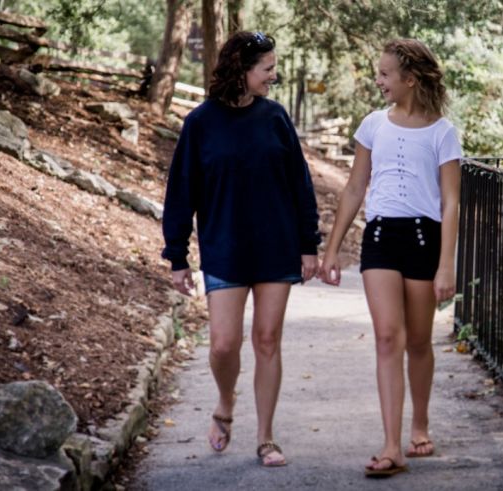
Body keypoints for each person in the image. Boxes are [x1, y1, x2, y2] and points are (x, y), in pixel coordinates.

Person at [161, 31, 320, 468]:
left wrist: (309, 245)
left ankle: (266, 438)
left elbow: (300, 185)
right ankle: (225, 404)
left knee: (267, 339)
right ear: (242, 70)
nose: (274, 74)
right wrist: (177, 256)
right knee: (223, 345)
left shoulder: (275, 118)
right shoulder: (200, 124)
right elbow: (181, 194)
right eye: (267, 68)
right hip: (224, 248)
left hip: (277, 246)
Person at [319, 38, 462, 478]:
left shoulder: (443, 132)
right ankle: (390, 444)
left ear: (410, 79)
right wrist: (332, 249)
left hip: (424, 239)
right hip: (380, 236)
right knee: (387, 338)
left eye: (385, 74)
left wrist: (446, 265)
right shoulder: (373, 125)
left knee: (418, 341)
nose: (378, 81)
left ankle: (419, 424)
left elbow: (451, 204)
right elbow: (355, 189)